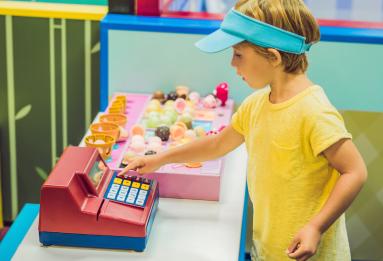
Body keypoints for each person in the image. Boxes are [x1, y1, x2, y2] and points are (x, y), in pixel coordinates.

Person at [121, 0, 367, 260]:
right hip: (270, 250)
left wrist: (316, 227)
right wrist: (159, 159)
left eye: (238, 54)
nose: (232, 64)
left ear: (273, 57)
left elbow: (355, 171)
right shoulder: (257, 104)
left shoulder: (314, 112)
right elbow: (216, 145)